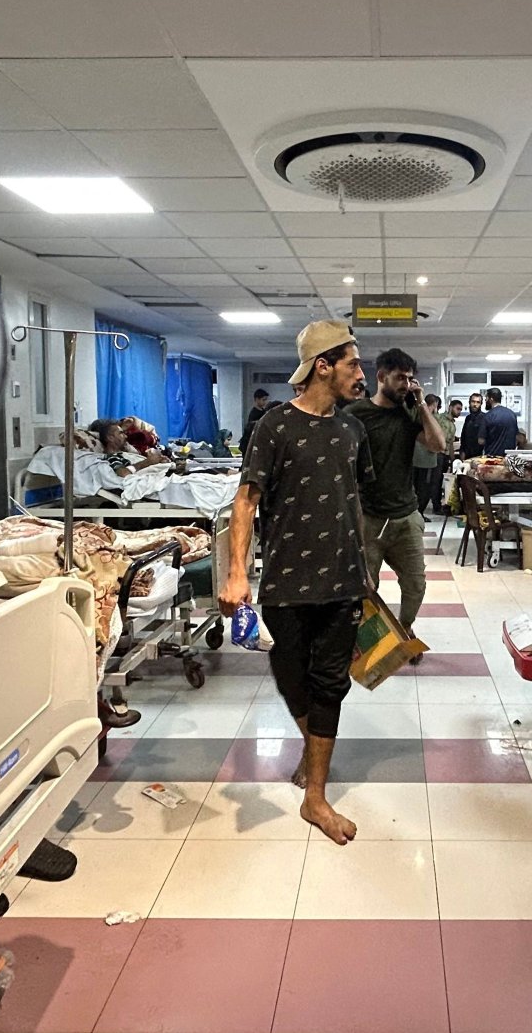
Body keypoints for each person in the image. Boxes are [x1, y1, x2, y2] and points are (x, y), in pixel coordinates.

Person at [221, 319, 371, 846]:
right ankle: (313, 755)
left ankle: (316, 797)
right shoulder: (274, 427)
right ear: (322, 366)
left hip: (344, 580)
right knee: (291, 676)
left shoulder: (353, 429)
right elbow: (246, 501)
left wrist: (368, 571)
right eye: (353, 363)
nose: (361, 373)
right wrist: (237, 573)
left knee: (331, 683)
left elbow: (354, 502)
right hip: (286, 580)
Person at [347, 349, 446, 653]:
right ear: (381, 377)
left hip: (405, 516)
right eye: (400, 377)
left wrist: (421, 405)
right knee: (364, 588)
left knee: (416, 585)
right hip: (369, 518)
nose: (406, 383)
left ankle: (404, 629)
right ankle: (365, 639)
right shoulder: (355, 414)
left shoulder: (410, 414)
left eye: (410, 378)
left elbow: (438, 444)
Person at [412, 393, 447, 517]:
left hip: (415, 459)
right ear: (434, 405)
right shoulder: (430, 419)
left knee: (416, 487)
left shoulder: (415, 416)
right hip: (426, 459)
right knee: (425, 488)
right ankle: (419, 512)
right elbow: (439, 441)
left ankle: (416, 512)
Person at [98, 420, 171, 472]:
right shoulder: (112, 457)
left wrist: (158, 461)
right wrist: (148, 462)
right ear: (110, 438)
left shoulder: (124, 454)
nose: (126, 436)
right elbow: (123, 473)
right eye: (121, 433)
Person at [480, 387, 519, 457]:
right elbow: (516, 438)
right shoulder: (512, 414)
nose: (485, 400)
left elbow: (481, 441)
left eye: (486, 398)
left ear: (491, 399)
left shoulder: (488, 416)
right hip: (509, 458)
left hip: (492, 459)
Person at [238, 387, 269, 454]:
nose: (265, 402)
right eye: (263, 400)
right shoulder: (253, 414)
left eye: (266, 400)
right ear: (257, 399)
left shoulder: (264, 411)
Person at [459, 391, 487, 459]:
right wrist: (462, 453)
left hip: (480, 456)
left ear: (481, 404)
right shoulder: (468, 418)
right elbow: (464, 438)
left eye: (478, 402)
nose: (475, 404)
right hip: (467, 456)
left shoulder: (485, 418)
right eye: (473, 401)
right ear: (469, 402)